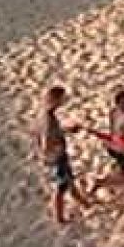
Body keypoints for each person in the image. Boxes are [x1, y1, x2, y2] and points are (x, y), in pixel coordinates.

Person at [38, 85, 91, 223]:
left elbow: (54, 132)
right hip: (56, 157)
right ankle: (59, 218)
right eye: (62, 99)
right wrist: (54, 151)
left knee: (69, 180)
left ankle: (83, 202)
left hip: (59, 155)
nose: (63, 102)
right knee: (61, 187)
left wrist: (67, 130)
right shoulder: (48, 119)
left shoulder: (47, 114)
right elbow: (46, 142)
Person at [90, 87, 124, 198]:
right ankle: (100, 182)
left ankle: (109, 178)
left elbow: (113, 129)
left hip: (112, 146)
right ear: (121, 102)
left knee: (122, 167)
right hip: (123, 149)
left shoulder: (113, 112)